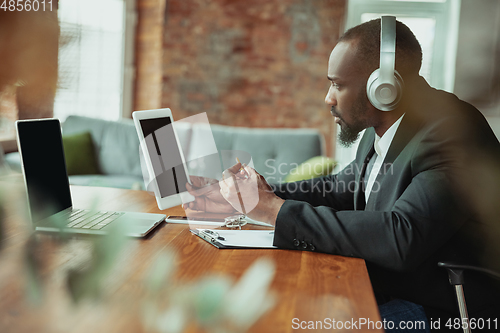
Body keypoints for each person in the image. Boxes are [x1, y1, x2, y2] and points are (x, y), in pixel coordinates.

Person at [183, 18, 500, 331]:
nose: (328, 98)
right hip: (390, 285)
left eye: (337, 84)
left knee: (292, 323)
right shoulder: (383, 128)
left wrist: (275, 211)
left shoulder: (452, 130)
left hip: (442, 309)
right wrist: (258, 195)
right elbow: (340, 187)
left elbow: (402, 235)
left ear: (384, 87)